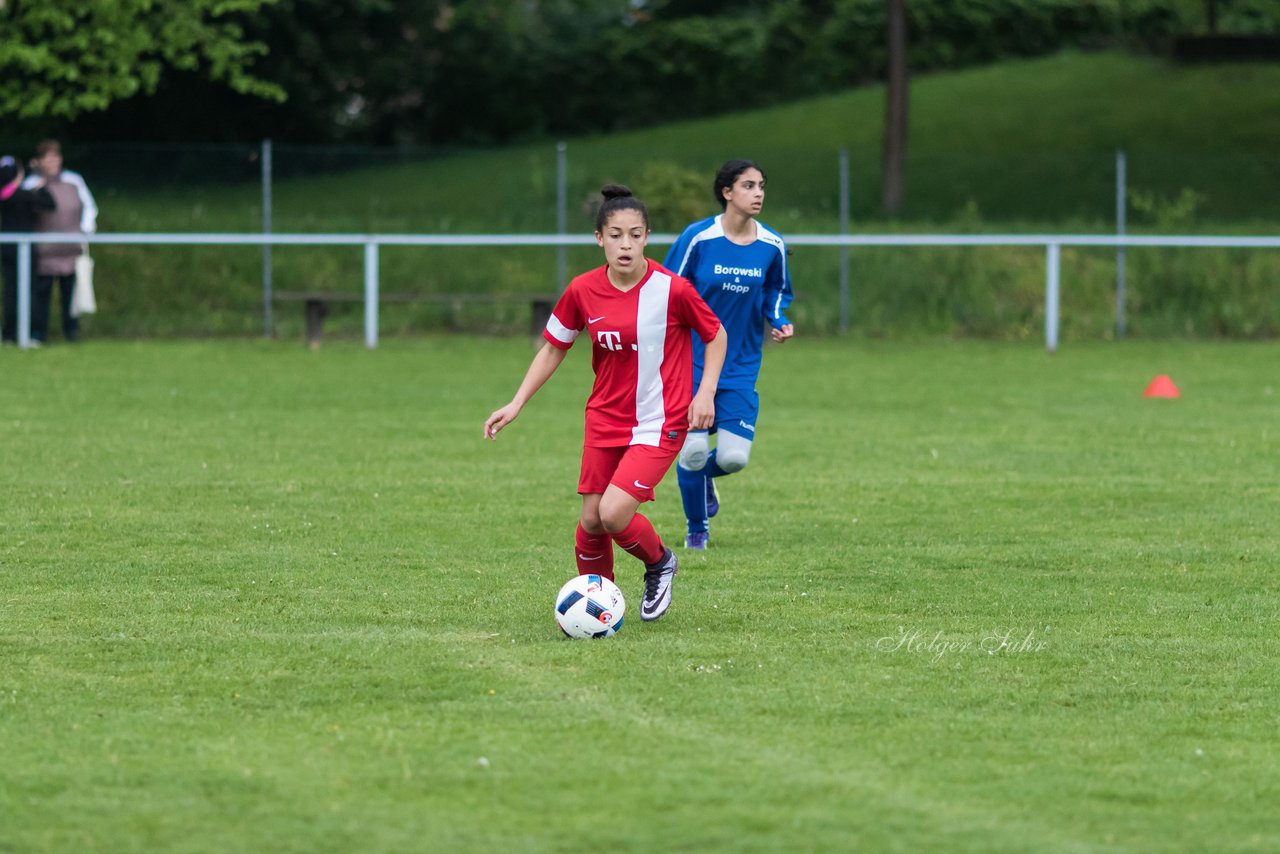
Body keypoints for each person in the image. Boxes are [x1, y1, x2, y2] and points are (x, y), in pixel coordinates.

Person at [485, 184, 727, 622]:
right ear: (599, 238)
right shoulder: (582, 290)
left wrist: (705, 390)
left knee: (614, 513)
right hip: (604, 417)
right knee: (592, 521)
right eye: (615, 235)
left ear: (647, 237)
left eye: (635, 234)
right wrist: (517, 402)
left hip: (660, 419)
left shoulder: (672, 290)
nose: (625, 244)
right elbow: (554, 347)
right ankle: (601, 608)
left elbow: (715, 334)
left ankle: (660, 563)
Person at [663, 159, 795, 550]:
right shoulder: (699, 237)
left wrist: (777, 319)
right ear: (727, 192)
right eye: (749, 186)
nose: (758, 193)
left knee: (735, 457)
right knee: (694, 450)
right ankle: (697, 530)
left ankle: (698, 479)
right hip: (691, 359)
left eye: (761, 186)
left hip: (740, 362)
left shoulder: (772, 245)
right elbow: (669, 286)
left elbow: (778, 291)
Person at [24, 139, 98, 343]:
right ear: (39, 161)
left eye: (55, 157)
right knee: (41, 295)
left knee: (71, 294)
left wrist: (86, 230)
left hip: (71, 249)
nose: (52, 162)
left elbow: (89, 207)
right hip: (44, 251)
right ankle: (38, 333)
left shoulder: (74, 180)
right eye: (47, 158)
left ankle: (71, 332)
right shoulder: (31, 184)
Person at [1, 155, 56, 345]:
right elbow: (50, 204)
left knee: (10, 291)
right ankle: (29, 333)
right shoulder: (24, 195)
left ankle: (9, 333)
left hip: (6, 248)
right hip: (24, 248)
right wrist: (40, 185)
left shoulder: (5, 196)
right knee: (28, 291)